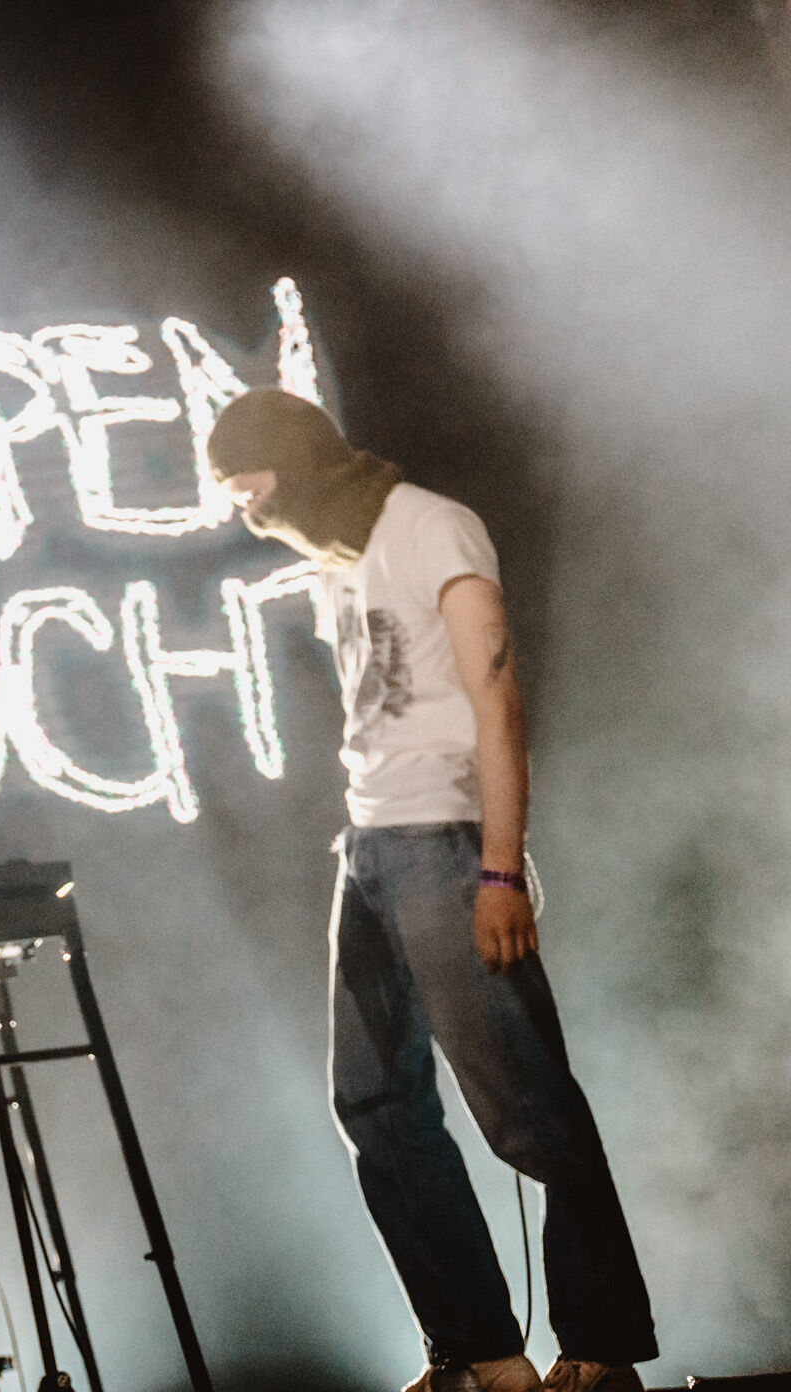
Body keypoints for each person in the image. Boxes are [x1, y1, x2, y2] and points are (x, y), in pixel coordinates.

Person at [203, 388, 654, 1392]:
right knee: (374, 1100)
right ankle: (479, 1353)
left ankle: (603, 1344)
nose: (244, 508)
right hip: (368, 847)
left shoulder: (432, 527)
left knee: (527, 1104)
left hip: (445, 849)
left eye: (247, 484)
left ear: (289, 460)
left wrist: (499, 867)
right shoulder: (338, 557)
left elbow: (496, 699)